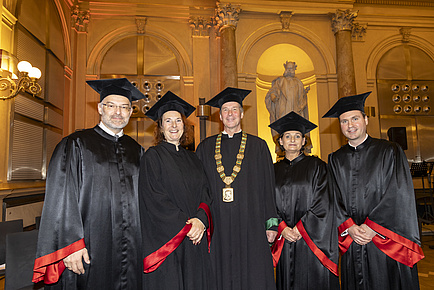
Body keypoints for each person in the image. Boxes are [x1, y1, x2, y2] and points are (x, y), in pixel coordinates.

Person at [33, 78, 145, 289]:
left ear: (131, 112)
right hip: (89, 246)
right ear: (100, 108)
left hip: (130, 246)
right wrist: (70, 245)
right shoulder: (77, 144)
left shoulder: (136, 150)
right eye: (111, 105)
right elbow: (62, 197)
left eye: (124, 107)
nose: (118, 112)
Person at [323, 92, 424, 289]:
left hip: (383, 237)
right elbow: (331, 197)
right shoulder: (335, 159)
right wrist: (349, 226)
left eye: (355, 118)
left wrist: (372, 226)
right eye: (344, 121)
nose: (350, 125)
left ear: (365, 119)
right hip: (352, 238)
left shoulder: (389, 151)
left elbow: (398, 192)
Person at [196, 87, 278, 290]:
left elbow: (268, 187)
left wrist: (272, 224)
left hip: (251, 221)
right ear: (220, 116)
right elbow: (199, 188)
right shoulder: (205, 147)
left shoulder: (258, 146)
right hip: (218, 223)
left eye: (234, 109)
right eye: (225, 110)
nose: (230, 114)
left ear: (241, 114)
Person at [139, 91, 214, 289]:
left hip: (195, 237)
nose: (174, 126)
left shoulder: (194, 158)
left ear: (184, 125)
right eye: (168, 121)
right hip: (170, 240)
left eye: (178, 121)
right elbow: (154, 198)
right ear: (161, 128)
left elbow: (206, 192)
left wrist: (200, 219)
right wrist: (187, 226)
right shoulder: (152, 157)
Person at [269, 111, 339, 290]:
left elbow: (324, 202)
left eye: (298, 136)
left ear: (303, 141)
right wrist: (282, 228)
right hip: (284, 238)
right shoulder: (272, 171)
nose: (292, 140)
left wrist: (300, 228)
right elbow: (266, 204)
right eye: (288, 136)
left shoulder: (317, 167)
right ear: (281, 142)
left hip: (311, 239)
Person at [265, 61, 310, 155]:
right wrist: (273, 95)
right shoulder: (280, 81)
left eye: (291, 69)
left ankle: (299, 148)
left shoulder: (298, 82)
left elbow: (302, 97)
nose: (290, 71)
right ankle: (281, 148)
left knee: (296, 128)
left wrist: (303, 99)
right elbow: (273, 90)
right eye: (288, 68)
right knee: (283, 128)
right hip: (283, 109)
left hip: (296, 109)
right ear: (285, 69)